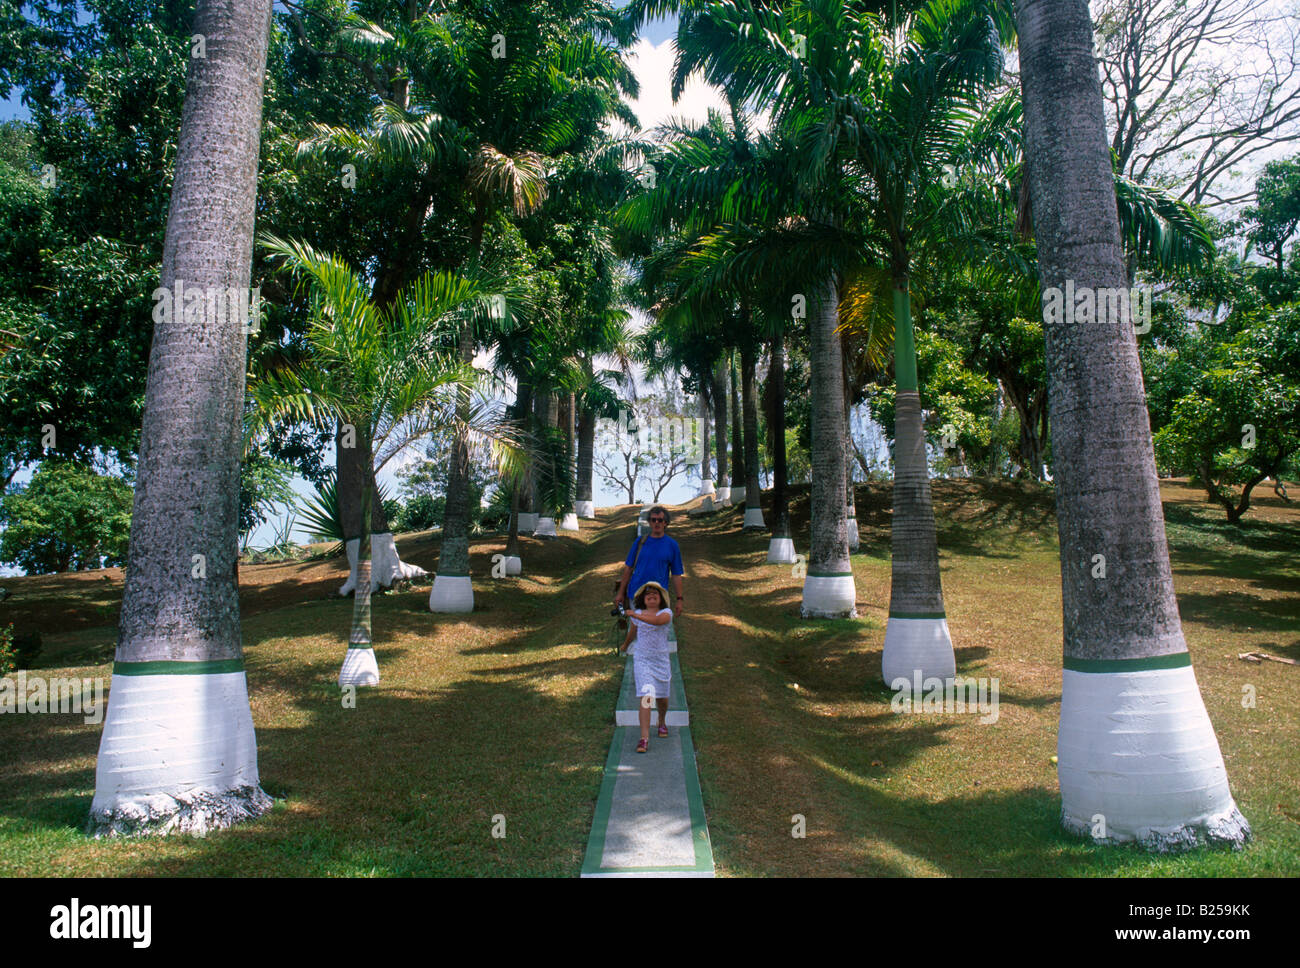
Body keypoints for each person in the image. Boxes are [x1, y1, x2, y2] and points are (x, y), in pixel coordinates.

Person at [620, 581, 674, 753]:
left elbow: (657, 622)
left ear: (661, 599)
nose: (651, 596)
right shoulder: (638, 614)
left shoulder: (666, 613)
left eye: (655, 594)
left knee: (662, 699)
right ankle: (644, 738)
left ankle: (662, 720)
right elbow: (633, 631)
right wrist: (625, 645)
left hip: (661, 661)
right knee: (647, 695)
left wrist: (634, 615)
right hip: (643, 660)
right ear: (643, 599)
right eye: (648, 594)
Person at [613, 506, 685, 619]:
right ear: (649, 522)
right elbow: (628, 568)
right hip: (636, 595)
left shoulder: (672, 545)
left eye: (660, 520)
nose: (656, 523)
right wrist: (621, 593)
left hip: (658, 597)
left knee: (655, 632)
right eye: (653, 520)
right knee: (637, 632)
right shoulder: (640, 542)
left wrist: (679, 599)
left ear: (665, 523)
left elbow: (676, 575)